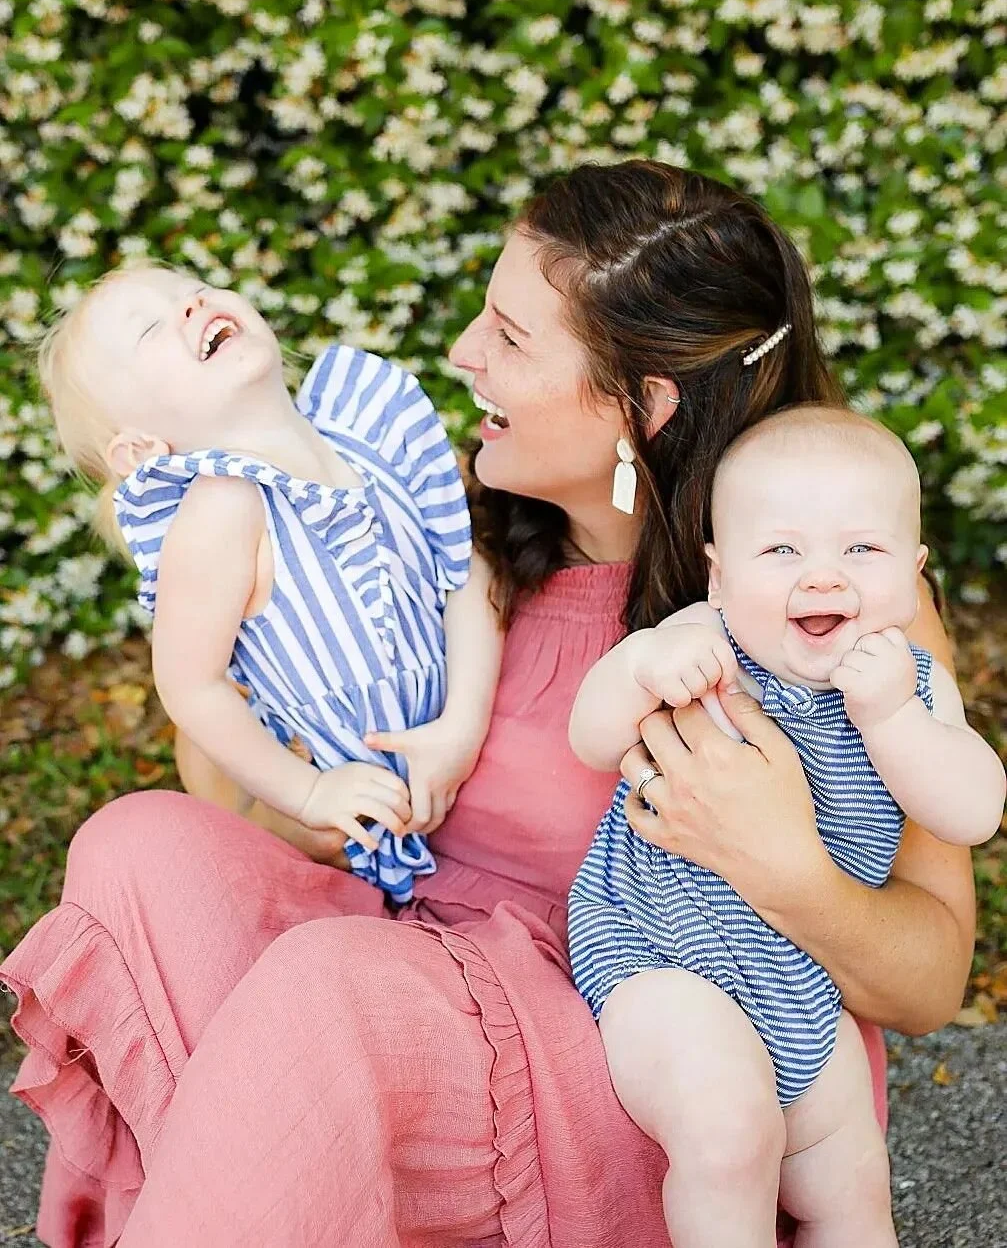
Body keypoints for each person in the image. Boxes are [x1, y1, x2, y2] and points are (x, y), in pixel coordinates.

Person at [0, 162, 974, 1248]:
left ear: (638, 405)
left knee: (331, 993)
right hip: (419, 947)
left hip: (647, 1039)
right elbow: (246, 786)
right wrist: (290, 731)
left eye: (508, 336)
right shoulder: (450, 518)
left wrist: (779, 860)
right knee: (141, 844)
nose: (462, 353)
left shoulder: (825, 603)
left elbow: (930, 980)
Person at [568, 405, 1005, 1248]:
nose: (821, 578)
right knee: (729, 1134)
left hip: (801, 977)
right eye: (781, 550)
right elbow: (591, 738)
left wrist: (892, 722)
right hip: (661, 953)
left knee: (851, 1183)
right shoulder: (706, 640)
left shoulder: (907, 685)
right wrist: (641, 666)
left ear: (911, 575)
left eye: (861, 549)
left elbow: (973, 809)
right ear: (720, 575)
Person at [37, 263, 502, 902]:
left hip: (454, 749)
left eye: (193, 289)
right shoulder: (224, 509)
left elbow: (463, 573)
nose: (192, 305)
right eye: (150, 328)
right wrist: (307, 793)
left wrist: (461, 725)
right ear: (143, 450)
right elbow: (191, 684)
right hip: (350, 822)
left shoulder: (368, 437)